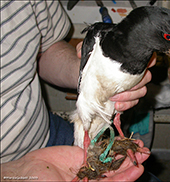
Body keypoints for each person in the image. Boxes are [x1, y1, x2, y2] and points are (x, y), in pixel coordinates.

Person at [1, 0, 155, 181]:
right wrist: (10, 174)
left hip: (44, 130)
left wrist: (92, 74)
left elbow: (46, 48)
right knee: (87, 131)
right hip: (13, 161)